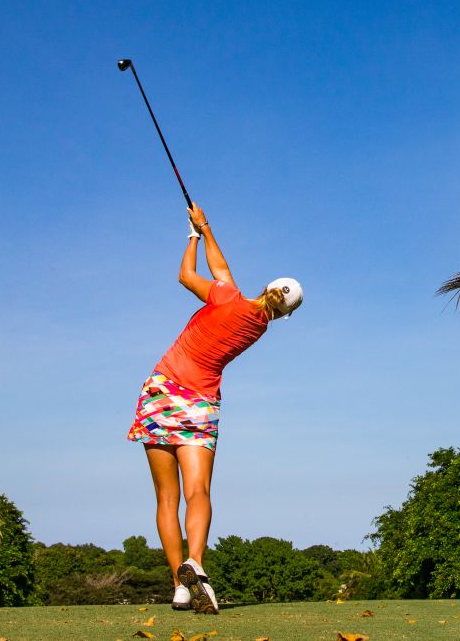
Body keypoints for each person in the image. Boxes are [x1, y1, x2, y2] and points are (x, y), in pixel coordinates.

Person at [126, 203, 303, 614]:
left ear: (266, 288)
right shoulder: (256, 324)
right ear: (284, 314)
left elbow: (188, 276)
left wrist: (193, 236)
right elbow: (224, 275)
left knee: (166, 499)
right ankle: (196, 565)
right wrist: (206, 229)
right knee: (199, 491)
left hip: (161, 393)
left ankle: (179, 586)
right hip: (201, 404)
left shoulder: (228, 298)